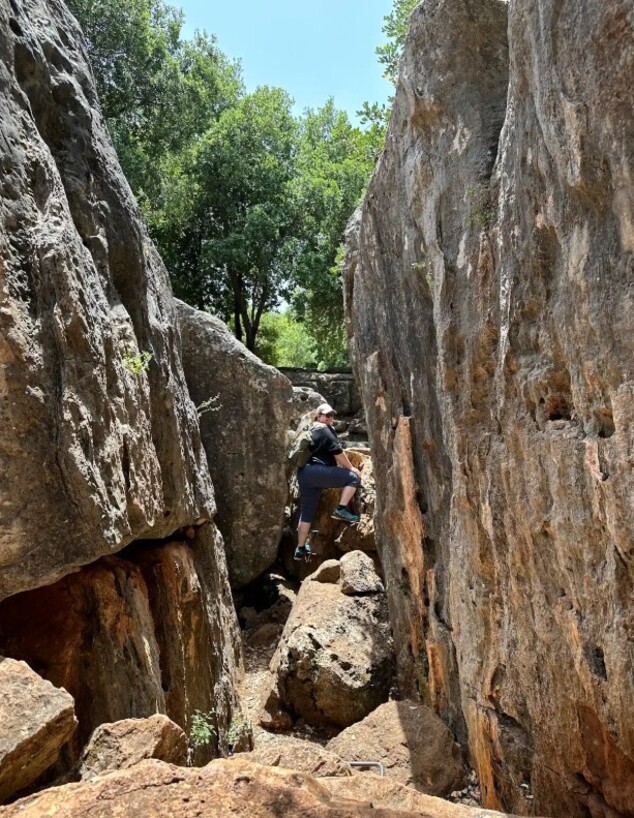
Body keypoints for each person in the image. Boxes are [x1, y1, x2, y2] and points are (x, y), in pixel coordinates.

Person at [294, 402, 362, 560]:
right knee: (352, 478)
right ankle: (341, 509)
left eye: (332, 415)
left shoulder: (310, 429)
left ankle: (300, 548)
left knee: (306, 515)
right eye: (326, 415)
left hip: (304, 475)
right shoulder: (324, 429)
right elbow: (338, 452)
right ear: (318, 416)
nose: (330, 418)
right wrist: (351, 468)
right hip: (317, 472)